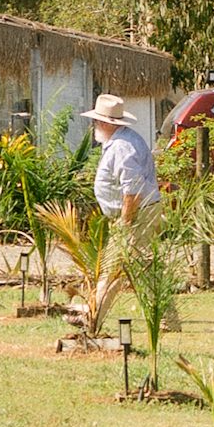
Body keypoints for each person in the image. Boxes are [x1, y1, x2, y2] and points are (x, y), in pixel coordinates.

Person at [82, 91, 161, 328]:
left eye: (97, 121)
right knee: (141, 269)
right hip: (136, 212)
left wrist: (126, 222)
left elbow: (132, 189)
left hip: (135, 214)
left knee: (115, 268)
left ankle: (92, 316)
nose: (95, 124)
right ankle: (165, 319)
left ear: (107, 123)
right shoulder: (120, 141)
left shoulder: (121, 147)